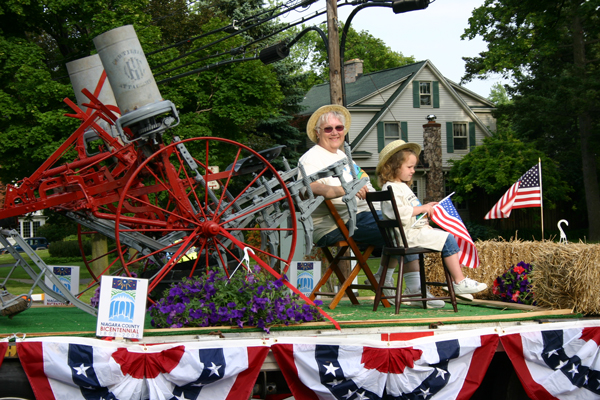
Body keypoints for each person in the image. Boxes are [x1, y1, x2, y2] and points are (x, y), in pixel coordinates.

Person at [298, 105, 418, 303]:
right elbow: (307, 188)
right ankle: (413, 289)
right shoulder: (311, 158)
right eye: (328, 129)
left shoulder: (343, 156)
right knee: (400, 227)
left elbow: (364, 184)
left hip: (362, 215)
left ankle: (386, 279)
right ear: (318, 133)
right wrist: (346, 189)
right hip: (336, 224)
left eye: (339, 128)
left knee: (408, 222)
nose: (335, 132)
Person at [376, 139, 487, 303]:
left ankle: (424, 289)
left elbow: (410, 212)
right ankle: (459, 281)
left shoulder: (402, 187)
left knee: (445, 236)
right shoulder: (390, 188)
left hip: (412, 233)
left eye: (414, 167)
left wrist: (424, 214)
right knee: (447, 238)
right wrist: (422, 209)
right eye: (409, 167)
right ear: (393, 166)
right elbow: (397, 213)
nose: (413, 171)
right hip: (407, 236)